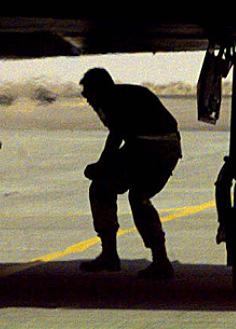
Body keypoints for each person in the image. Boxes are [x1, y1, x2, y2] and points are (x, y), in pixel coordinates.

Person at [77, 67, 182, 279]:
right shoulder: (119, 96)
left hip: (152, 147)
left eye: (88, 92)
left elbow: (116, 136)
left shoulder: (112, 101)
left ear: (99, 90)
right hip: (163, 147)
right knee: (136, 195)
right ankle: (157, 258)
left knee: (104, 188)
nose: (86, 98)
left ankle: (115, 254)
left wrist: (101, 166)